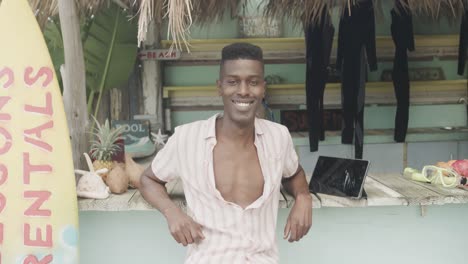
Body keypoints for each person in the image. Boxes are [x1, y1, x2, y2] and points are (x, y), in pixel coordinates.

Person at [140, 42, 312, 264]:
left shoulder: (278, 137)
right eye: (233, 82)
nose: (243, 90)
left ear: (263, 88)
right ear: (219, 86)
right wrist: (171, 213)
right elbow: (148, 179)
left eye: (253, 82)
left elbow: (294, 174)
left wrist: (304, 196)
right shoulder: (187, 139)